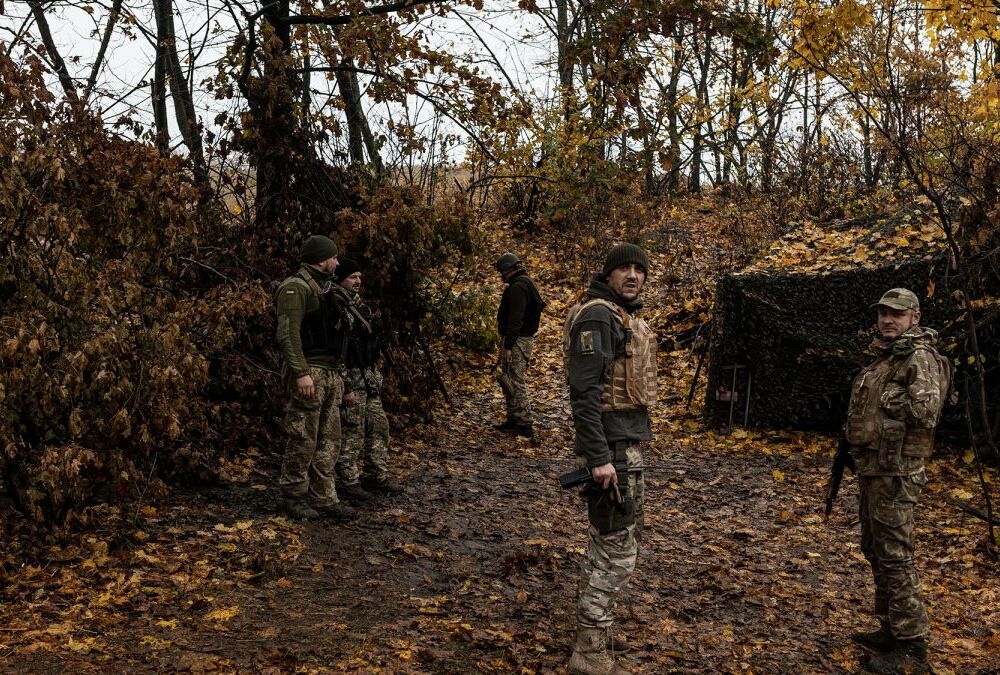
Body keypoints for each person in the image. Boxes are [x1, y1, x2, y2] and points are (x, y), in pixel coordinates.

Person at [844, 288, 950, 674]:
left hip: (898, 472)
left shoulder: (918, 356)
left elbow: (926, 410)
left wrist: (890, 399)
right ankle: (891, 628)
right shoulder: (889, 357)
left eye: (897, 314)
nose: (888, 319)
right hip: (877, 468)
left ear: (915, 317)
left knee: (896, 555)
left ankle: (912, 647)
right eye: (884, 313)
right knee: (876, 549)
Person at [565, 243, 657, 675]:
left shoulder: (621, 316)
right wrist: (600, 458)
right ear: (608, 273)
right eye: (624, 267)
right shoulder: (599, 315)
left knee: (609, 541)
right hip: (613, 449)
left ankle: (596, 629)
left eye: (640, 269)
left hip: (624, 445)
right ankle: (589, 647)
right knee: (618, 549)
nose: (633, 275)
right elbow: (584, 393)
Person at [274, 235, 357, 522]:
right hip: (310, 371)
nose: (337, 261)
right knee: (303, 436)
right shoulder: (295, 288)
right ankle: (293, 495)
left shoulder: (325, 288)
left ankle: (324, 496)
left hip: (330, 372)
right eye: (334, 257)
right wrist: (301, 373)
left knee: (329, 437)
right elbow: (287, 334)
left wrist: (341, 378)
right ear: (322, 259)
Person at [332, 258, 404, 502]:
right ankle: (348, 481)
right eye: (353, 276)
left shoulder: (359, 306)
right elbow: (337, 352)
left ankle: (376, 474)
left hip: (369, 379)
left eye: (359, 276)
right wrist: (346, 386)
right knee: (353, 432)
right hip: (352, 378)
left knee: (379, 427)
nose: (358, 281)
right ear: (340, 278)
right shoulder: (336, 305)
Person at [494, 252, 546, 438]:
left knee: (515, 380)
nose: (502, 275)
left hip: (517, 340)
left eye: (503, 271)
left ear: (509, 269)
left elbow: (516, 318)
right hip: (518, 338)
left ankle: (524, 424)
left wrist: (508, 345)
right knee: (508, 380)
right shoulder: (524, 283)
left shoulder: (519, 286)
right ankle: (513, 419)